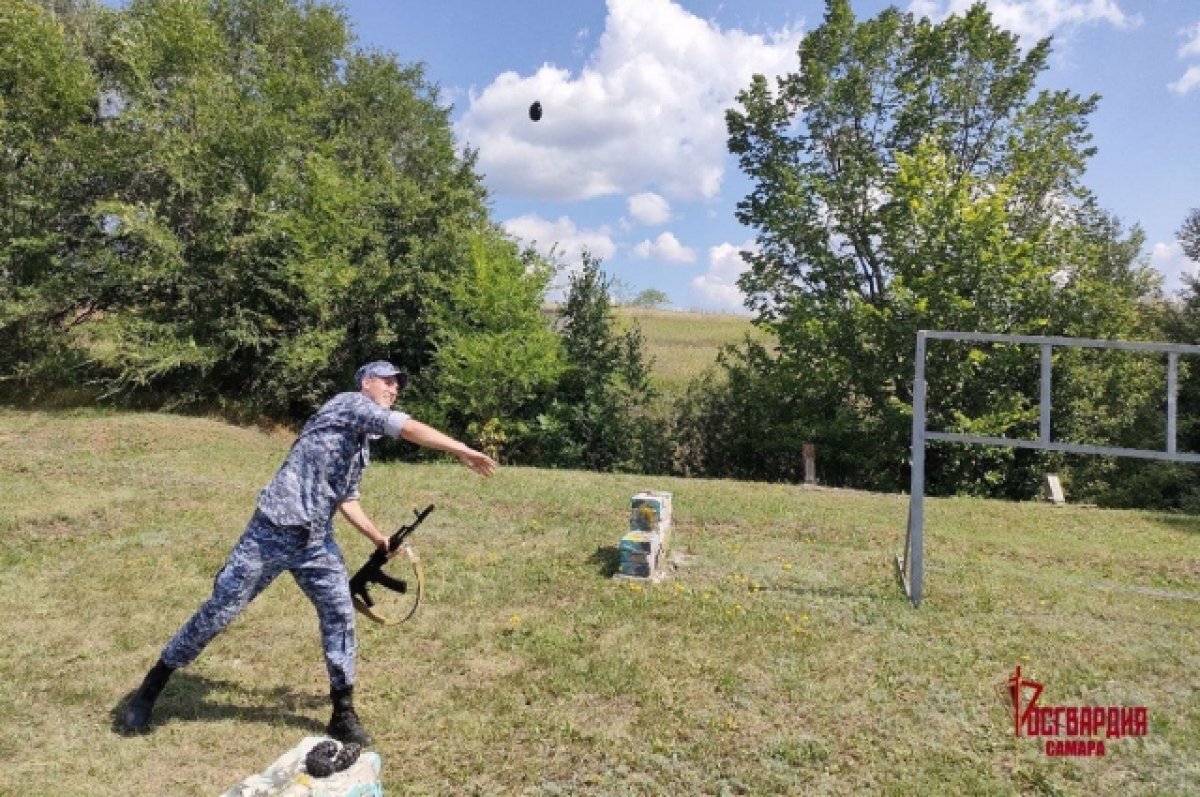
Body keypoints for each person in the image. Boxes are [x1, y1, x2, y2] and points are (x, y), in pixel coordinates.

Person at [121, 361, 498, 744]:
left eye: (398, 385)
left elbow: (347, 499)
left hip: (315, 542)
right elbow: (406, 427)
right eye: (387, 382)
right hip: (270, 532)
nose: (394, 389)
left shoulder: (360, 443)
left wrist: (378, 538)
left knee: (339, 614)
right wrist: (462, 450)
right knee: (219, 610)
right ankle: (151, 687)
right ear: (366, 383)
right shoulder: (348, 404)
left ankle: (342, 712)